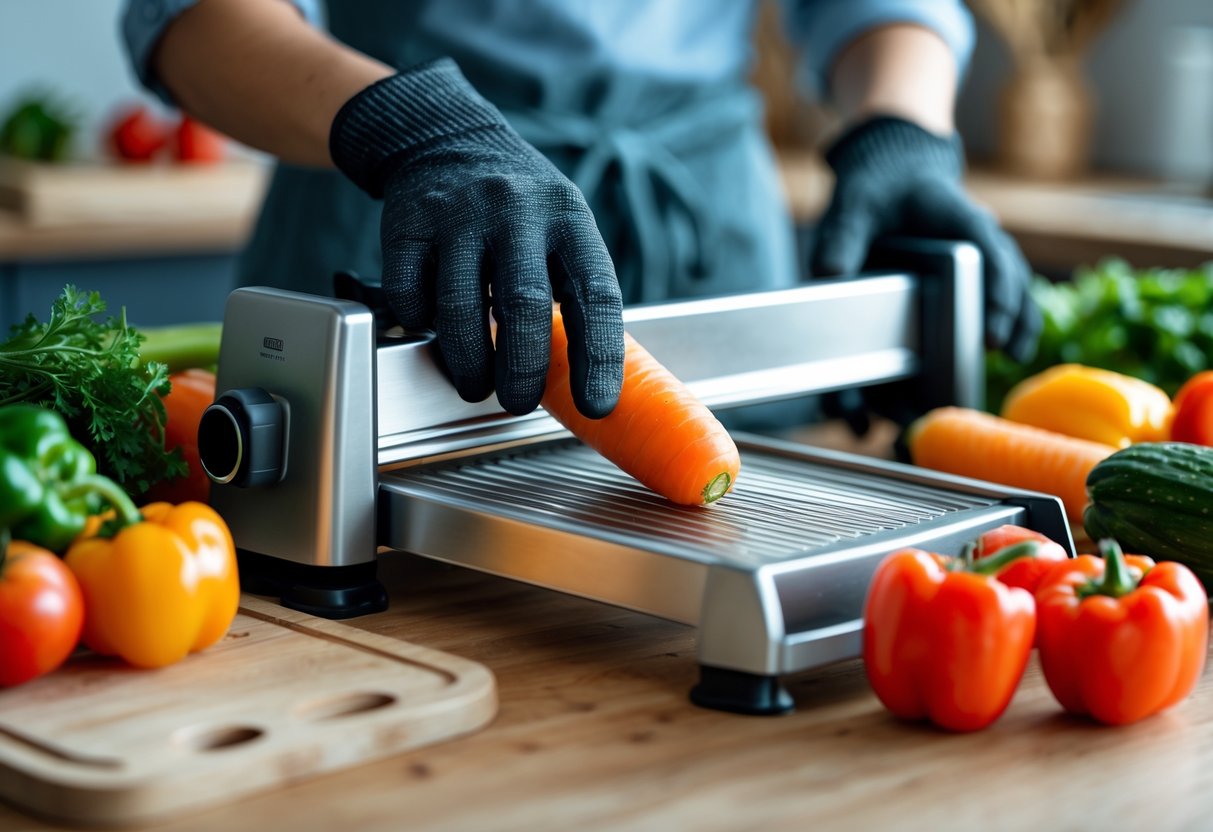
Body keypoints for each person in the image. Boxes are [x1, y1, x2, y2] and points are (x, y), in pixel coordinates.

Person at [122, 0, 1040, 422]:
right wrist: (417, 131)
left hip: (702, 228)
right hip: (409, 198)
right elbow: (188, 14)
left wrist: (901, 128)